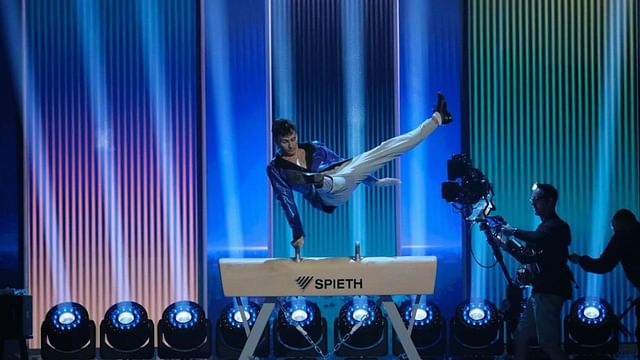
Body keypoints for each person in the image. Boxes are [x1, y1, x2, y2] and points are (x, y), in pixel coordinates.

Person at [267, 93, 453, 250]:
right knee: (336, 181)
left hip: (341, 174)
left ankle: (437, 119)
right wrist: (298, 232)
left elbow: (343, 165)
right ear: (276, 141)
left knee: (385, 148)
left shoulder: (314, 148)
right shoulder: (276, 169)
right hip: (326, 197)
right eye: (285, 141)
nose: (291, 144)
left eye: (293, 138)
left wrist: (372, 181)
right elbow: (286, 200)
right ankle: (319, 181)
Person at [502, 183, 573, 360]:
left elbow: (538, 239)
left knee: (549, 345)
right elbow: (527, 257)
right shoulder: (545, 227)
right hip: (540, 292)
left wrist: (513, 232)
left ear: (549, 202)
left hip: (550, 291)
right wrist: (503, 243)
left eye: (536, 199)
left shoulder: (557, 226)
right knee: (521, 335)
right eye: (531, 199)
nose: (532, 203)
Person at [569, 209, 640, 352]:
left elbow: (603, 265)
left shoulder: (623, 237)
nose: (614, 231)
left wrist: (580, 260)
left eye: (614, 228)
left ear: (620, 224)